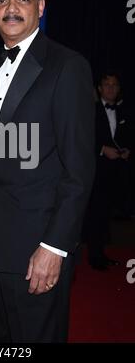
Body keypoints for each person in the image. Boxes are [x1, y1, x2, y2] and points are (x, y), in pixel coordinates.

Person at [0, 0, 95, 342]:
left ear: (41, 7)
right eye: (2, 1)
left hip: (37, 248)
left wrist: (54, 246)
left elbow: (79, 170)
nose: (11, 9)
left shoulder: (67, 66)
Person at [84, 72, 132, 270]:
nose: (111, 88)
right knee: (95, 214)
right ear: (100, 88)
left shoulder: (125, 111)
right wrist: (103, 150)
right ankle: (94, 256)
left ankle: (101, 253)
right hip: (95, 172)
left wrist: (127, 149)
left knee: (106, 216)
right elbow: (82, 138)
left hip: (117, 173)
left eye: (115, 85)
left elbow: (128, 136)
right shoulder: (90, 110)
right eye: (107, 84)